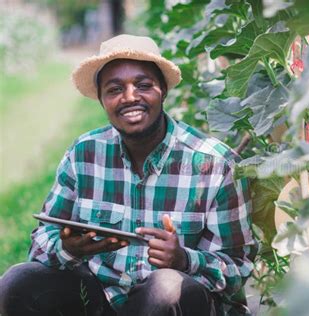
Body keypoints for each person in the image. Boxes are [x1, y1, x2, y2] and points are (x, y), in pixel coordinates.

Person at [0, 34, 257, 316]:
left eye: (144, 85)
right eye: (114, 89)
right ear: (101, 100)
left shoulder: (215, 164)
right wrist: (68, 248)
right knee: (17, 282)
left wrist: (184, 259)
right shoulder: (84, 153)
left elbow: (237, 267)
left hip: (173, 304)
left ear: (163, 91)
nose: (130, 97)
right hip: (100, 295)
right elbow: (40, 241)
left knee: (166, 288)